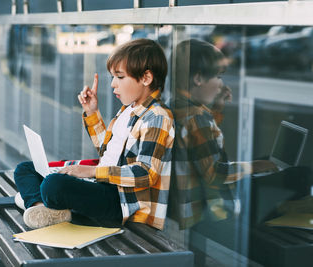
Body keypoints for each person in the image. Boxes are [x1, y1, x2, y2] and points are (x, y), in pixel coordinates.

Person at [14, 38, 175, 230]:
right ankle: (41, 209)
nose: (113, 84)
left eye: (120, 77)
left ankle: (40, 202)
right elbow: (107, 151)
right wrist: (92, 112)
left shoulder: (157, 117)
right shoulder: (127, 110)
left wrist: (90, 171)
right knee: (25, 169)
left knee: (53, 184)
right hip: (101, 183)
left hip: (121, 201)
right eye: (112, 77)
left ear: (146, 78)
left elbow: (145, 174)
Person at [170, 39, 278, 229]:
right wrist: (256, 166)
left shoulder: (176, 106)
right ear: (198, 79)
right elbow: (215, 174)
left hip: (179, 210)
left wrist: (216, 110)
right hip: (202, 216)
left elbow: (198, 143)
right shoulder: (197, 118)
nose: (221, 85)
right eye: (218, 77)